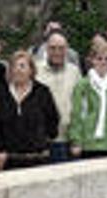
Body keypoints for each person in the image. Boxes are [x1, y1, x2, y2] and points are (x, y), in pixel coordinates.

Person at [0, 51, 59, 170]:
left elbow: (53, 119)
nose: (18, 70)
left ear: (31, 70)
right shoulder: (1, 93)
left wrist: (44, 141)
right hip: (10, 158)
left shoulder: (42, 92)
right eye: (14, 66)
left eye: (22, 66)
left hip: (38, 156)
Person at [69, 39, 107, 159]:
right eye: (99, 58)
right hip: (89, 143)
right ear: (92, 60)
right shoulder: (83, 85)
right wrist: (76, 141)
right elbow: (77, 114)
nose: (103, 62)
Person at [35, 30, 81, 163]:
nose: (57, 52)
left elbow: (80, 105)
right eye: (53, 48)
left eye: (61, 48)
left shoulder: (75, 71)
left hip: (69, 140)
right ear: (46, 49)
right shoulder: (36, 71)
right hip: (44, 141)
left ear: (67, 49)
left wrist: (77, 139)